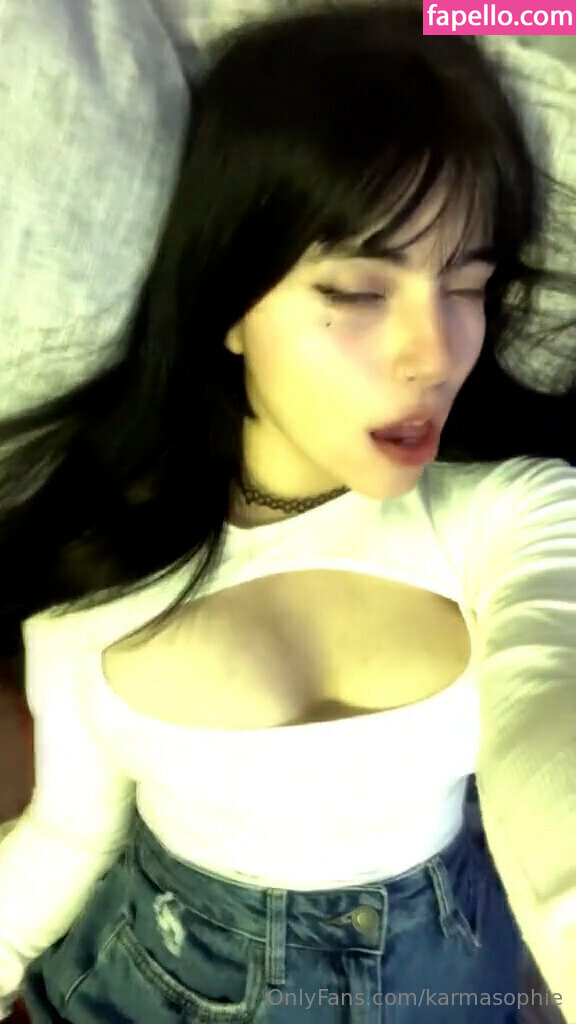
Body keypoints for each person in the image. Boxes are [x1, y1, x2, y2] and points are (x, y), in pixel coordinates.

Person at [0, 1, 575, 1020]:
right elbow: (68, 834)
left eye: (468, 285)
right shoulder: (98, 583)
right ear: (227, 303)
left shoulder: (512, 511)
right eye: (357, 292)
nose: (436, 354)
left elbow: (554, 715)